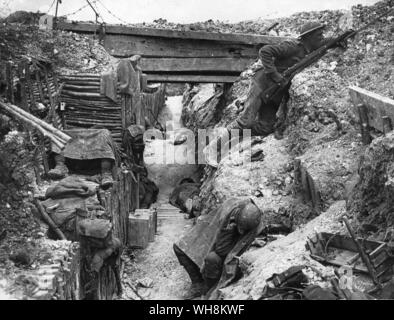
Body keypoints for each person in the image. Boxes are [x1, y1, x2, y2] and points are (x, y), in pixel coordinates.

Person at [211, 21, 349, 147]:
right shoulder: (292, 47)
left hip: (275, 93)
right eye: (318, 35)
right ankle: (214, 146)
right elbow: (265, 51)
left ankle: (234, 136)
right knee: (245, 121)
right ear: (309, 37)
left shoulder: (311, 48)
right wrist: (274, 74)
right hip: (262, 84)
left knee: (266, 127)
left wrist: (338, 41)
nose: (321, 37)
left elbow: (325, 42)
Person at [173, 198, 262, 298]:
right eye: (240, 227)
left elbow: (223, 252)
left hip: (229, 253)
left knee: (212, 258)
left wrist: (231, 232)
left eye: (243, 230)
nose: (241, 231)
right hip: (219, 233)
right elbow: (213, 230)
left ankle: (208, 286)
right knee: (179, 248)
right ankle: (197, 283)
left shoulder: (254, 224)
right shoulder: (229, 213)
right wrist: (228, 230)